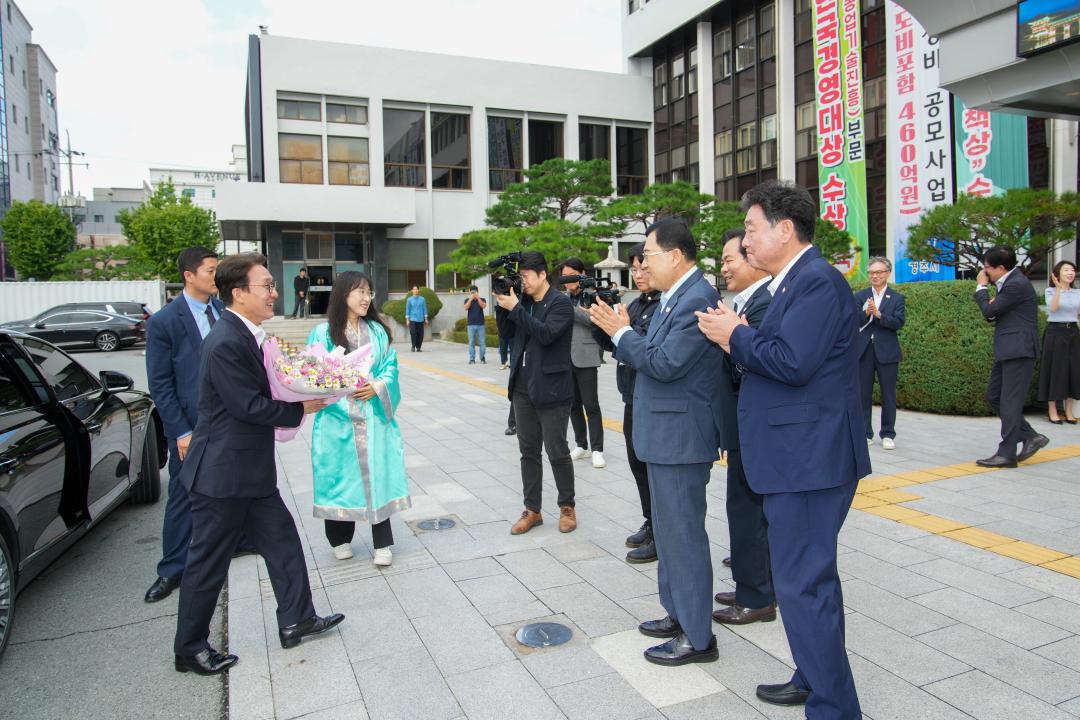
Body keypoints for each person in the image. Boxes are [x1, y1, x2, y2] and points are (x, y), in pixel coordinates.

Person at [696, 180, 869, 718]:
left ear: (785, 230)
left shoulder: (815, 282)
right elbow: (787, 354)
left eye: (751, 229)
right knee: (807, 583)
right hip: (799, 458)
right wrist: (744, 334)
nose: (745, 242)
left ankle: (833, 707)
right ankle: (813, 675)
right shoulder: (796, 283)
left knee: (804, 586)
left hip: (811, 462)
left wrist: (733, 335)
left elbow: (793, 362)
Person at [173, 253, 343, 676]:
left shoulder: (248, 334)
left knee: (284, 544)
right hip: (222, 475)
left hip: (249, 473)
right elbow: (247, 406)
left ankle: (296, 618)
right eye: (265, 285)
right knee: (207, 563)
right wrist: (301, 406)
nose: (273, 293)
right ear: (238, 293)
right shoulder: (226, 340)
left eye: (271, 285)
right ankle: (189, 648)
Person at [589, 218, 724, 668]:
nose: (643, 262)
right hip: (665, 435)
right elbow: (655, 354)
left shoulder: (697, 298)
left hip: (681, 439)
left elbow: (664, 363)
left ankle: (698, 637)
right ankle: (678, 614)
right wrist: (627, 331)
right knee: (668, 533)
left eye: (648, 254)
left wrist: (621, 333)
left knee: (683, 536)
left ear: (675, 256)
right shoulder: (673, 298)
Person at [307, 271, 411, 566]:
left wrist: (377, 387)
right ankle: (339, 537)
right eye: (360, 292)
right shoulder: (322, 333)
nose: (366, 298)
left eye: (369, 292)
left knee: (377, 475)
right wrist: (341, 391)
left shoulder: (378, 331)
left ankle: (382, 543)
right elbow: (313, 372)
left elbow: (391, 366)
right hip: (336, 419)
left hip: (373, 416)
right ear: (343, 295)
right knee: (339, 477)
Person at [699, 230, 775, 627]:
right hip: (743, 424)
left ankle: (756, 596)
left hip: (756, 427)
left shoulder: (764, 305)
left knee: (747, 510)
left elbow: (755, 367)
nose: (724, 267)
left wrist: (731, 341)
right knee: (748, 509)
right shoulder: (745, 303)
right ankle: (754, 582)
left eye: (731, 259)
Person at [144, 247, 223, 603]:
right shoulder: (164, 321)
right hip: (191, 426)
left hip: (228, 421)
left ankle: (235, 542)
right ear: (189, 275)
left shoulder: (222, 311)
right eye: (210, 270)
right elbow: (160, 384)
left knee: (233, 486)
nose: (215, 277)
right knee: (183, 495)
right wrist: (180, 431)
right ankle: (172, 569)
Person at [495, 251, 577, 535]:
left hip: (552, 388)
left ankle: (567, 507)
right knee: (528, 450)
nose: (524, 283)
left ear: (542, 275)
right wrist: (502, 302)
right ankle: (533, 510)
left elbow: (546, 334)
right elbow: (506, 334)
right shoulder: (524, 302)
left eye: (527, 277)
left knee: (557, 450)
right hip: (522, 387)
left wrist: (516, 307)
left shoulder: (561, 304)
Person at [593, 244, 661, 563]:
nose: (639, 274)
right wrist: (601, 323)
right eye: (634, 269)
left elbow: (642, 345)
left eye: (643, 267)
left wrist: (623, 330)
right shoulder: (636, 304)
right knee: (636, 462)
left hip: (651, 396)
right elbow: (616, 343)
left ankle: (662, 531)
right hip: (631, 394)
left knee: (652, 465)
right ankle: (651, 521)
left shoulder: (664, 305)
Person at [974, 245, 1049, 467]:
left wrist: (981, 287)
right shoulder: (1008, 283)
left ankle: (1006, 453)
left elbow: (989, 311)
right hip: (1009, 349)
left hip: (1019, 350)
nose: (985, 271)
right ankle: (1031, 436)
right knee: (995, 396)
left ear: (1000, 267)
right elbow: (995, 313)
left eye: (987, 267)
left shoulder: (1016, 284)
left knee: (1009, 403)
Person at [853, 256, 906, 449]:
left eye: (878, 272)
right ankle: (865, 432)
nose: (874, 276)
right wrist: (866, 313)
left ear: (887, 274)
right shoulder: (860, 296)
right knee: (863, 393)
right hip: (864, 351)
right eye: (871, 273)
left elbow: (899, 322)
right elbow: (852, 320)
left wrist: (880, 315)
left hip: (887, 351)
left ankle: (888, 433)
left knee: (888, 394)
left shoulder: (897, 298)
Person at [560, 258, 606, 469]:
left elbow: (594, 320)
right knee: (573, 405)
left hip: (586, 356)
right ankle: (581, 444)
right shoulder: (563, 298)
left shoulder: (593, 296)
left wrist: (570, 309)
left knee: (592, 405)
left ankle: (598, 449)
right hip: (565, 357)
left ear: (581, 274)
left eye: (571, 275)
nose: (567, 280)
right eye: (565, 276)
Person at [1040, 260, 1080, 424]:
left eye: (1072, 270)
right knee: (1056, 370)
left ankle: (1069, 411)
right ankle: (1053, 410)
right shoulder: (1050, 290)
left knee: (1073, 371)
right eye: (1066, 270)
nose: (1070, 273)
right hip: (1055, 332)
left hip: (1073, 332)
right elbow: (1054, 308)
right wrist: (1058, 289)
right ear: (1057, 274)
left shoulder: (1077, 292)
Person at [495, 303, 517, 434]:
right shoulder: (514, 301)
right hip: (518, 355)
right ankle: (513, 423)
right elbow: (504, 332)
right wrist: (502, 305)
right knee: (517, 389)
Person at [464, 285, 487, 364]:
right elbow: (465, 308)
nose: (473, 293)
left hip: (481, 324)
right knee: (471, 342)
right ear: (470, 292)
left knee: (482, 343)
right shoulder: (467, 300)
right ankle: (472, 359)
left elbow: (483, 306)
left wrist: (478, 298)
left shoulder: (482, 299)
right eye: (472, 292)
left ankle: (482, 358)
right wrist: (470, 299)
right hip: (471, 325)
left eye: (475, 292)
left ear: (477, 292)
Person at [405, 285, 429, 352]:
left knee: (420, 334)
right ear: (412, 290)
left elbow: (424, 308)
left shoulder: (422, 299)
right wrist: (407, 319)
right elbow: (408, 309)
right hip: (412, 319)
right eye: (414, 289)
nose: (415, 290)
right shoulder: (409, 299)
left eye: (416, 289)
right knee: (413, 332)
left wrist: (426, 318)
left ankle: (418, 347)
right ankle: (413, 346)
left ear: (418, 290)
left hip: (420, 319)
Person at [496, 303, 514, 370]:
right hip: (502, 329)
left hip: (511, 329)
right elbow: (498, 319)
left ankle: (513, 363)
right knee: (503, 347)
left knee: (513, 348)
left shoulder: (511, 305)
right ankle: (504, 363)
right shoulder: (499, 307)